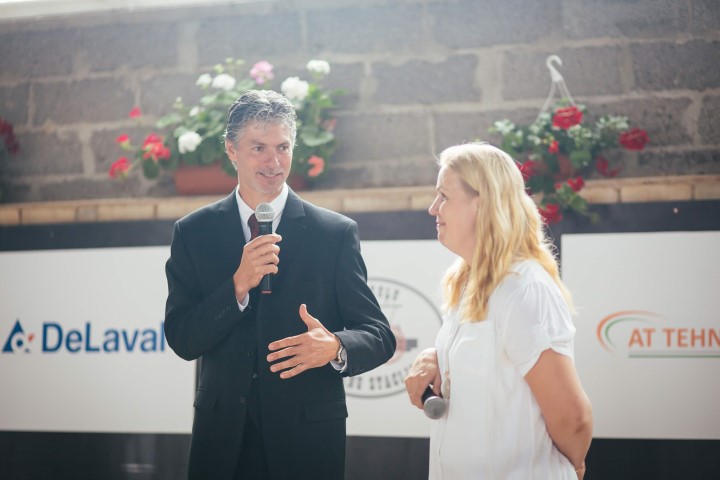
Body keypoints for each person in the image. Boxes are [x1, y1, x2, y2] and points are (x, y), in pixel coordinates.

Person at [164, 89, 396, 480]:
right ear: (231, 150)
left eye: (283, 147)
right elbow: (182, 338)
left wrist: (335, 346)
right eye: (259, 148)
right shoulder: (193, 232)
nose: (273, 162)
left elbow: (379, 335)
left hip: (307, 444)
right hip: (222, 445)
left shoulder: (334, 233)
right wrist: (237, 287)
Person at [404, 142, 593, 479]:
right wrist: (438, 356)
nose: (433, 209)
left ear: (483, 205)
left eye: (444, 196)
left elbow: (572, 419)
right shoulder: (469, 281)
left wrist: (572, 468)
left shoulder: (524, 288)